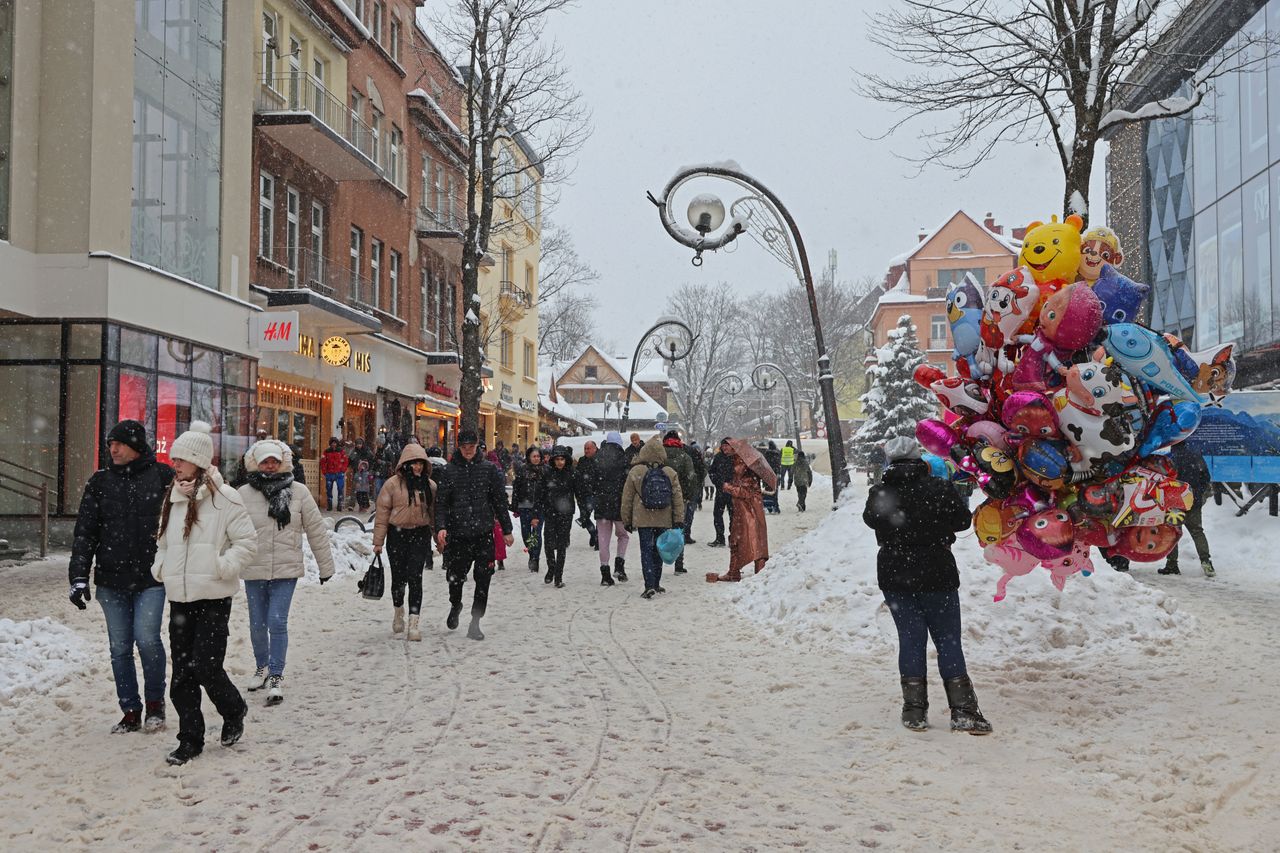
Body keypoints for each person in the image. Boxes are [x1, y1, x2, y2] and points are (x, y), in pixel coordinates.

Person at [861, 436, 991, 735]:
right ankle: (964, 711)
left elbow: (872, 520)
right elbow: (961, 521)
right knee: (947, 640)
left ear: (890, 460)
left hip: (896, 575)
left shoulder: (881, 492)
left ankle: (914, 711)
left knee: (910, 639)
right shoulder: (938, 488)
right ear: (918, 458)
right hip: (937, 572)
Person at [151, 421, 257, 765]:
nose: (175, 464)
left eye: (180, 458)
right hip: (179, 597)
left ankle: (233, 709)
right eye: (174, 459)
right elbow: (164, 541)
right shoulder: (173, 497)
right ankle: (190, 738)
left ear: (198, 460)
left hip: (212, 597)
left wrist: (221, 567)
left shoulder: (226, 498)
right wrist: (161, 567)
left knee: (207, 666)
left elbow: (246, 544)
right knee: (182, 671)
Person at [69, 419, 175, 734]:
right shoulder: (99, 482)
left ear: (136, 446)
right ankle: (130, 708)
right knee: (119, 647)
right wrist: (78, 576)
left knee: (147, 639)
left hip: (151, 577)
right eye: (110, 444)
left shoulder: (162, 477)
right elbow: (85, 534)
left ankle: (155, 704)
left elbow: (185, 521)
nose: (112, 449)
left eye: (119, 444)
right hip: (111, 580)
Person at [237, 439, 334, 706]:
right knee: (258, 623)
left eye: (274, 461)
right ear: (255, 463)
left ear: (283, 463)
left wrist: (325, 566)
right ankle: (262, 666)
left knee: (277, 621)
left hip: (285, 568)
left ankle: (276, 675)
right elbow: (230, 531)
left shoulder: (299, 492)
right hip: (254, 568)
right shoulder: (243, 494)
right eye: (265, 461)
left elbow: (316, 530)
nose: (270, 466)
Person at [435, 429, 514, 640]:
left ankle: (475, 622)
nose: (468, 450)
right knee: (455, 578)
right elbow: (441, 503)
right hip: (458, 535)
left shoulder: (489, 470)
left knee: (483, 579)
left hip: (483, 534)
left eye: (472, 446)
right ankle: (455, 604)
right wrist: (441, 527)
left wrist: (507, 530)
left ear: (478, 445)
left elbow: (499, 501)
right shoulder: (449, 471)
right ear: (458, 447)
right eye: (464, 446)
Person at [373, 443, 437, 641]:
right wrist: (378, 542)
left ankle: (414, 622)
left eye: (420, 463)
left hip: (420, 534)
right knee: (399, 578)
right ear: (405, 464)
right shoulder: (392, 485)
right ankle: (398, 610)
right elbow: (382, 513)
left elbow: (434, 515)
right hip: (397, 535)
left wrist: (439, 539)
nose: (417, 467)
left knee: (415, 577)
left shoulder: (430, 486)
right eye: (413, 463)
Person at [620, 435, 685, 599]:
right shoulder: (670, 472)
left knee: (646, 551)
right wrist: (678, 519)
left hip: (643, 519)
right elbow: (677, 497)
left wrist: (626, 520)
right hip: (664, 518)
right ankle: (656, 583)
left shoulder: (636, 471)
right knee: (659, 550)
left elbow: (626, 498)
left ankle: (649, 585)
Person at [712, 440, 770, 582]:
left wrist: (728, 487)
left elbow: (748, 491)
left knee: (755, 540)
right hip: (741, 509)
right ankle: (733, 571)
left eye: (729, 447)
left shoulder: (746, 468)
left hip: (749, 510)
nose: (726, 450)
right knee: (736, 539)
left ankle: (759, 572)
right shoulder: (738, 462)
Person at [1164, 442, 1215, 577]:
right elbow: (1206, 477)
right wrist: (1197, 493)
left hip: (1175, 502)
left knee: (1172, 532)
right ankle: (1206, 562)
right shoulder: (1196, 456)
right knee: (1197, 531)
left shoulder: (1170, 459)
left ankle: (1172, 564)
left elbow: (1165, 481)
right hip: (1193, 501)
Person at [592, 432, 629, 585]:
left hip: (602, 506)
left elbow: (591, 482)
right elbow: (628, 484)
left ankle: (605, 573)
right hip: (619, 505)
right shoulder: (624, 458)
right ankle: (619, 566)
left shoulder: (598, 458)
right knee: (623, 536)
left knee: (603, 540)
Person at [539, 445, 578, 588]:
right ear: (553, 460)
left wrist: (585, 511)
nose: (560, 462)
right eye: (557, 459)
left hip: (566, 513)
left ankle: (558, 576)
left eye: (562, 459)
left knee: (562, 544)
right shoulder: (547, 474)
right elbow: (540, 493)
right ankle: (551, 566)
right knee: (548, 542)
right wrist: (538, 512)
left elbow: (579, 492)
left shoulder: (572, 474)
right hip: (550, 512)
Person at [661, 431, 698, 575]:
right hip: (679, 499)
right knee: (679, 530)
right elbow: (691, 477)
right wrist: (688, 496)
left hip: (661, 499)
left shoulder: (660, 455)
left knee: (660, 530)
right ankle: (678, 564)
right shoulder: (685, 456)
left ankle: (658, 563)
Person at [511, 446, 546, 572]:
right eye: (534, 456)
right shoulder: (522, 470)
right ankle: (532, 553)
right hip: (525, 506)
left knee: (536, 533)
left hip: (540, 507)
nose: (536, 459)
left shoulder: (545, 471)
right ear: (529, 457)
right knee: (526, 534)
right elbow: (516, 488)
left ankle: (535, 558)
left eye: (538, 456)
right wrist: (514, 505)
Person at [708, 438, 735, 548]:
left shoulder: (736, 457)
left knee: (733, 516)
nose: (724, 448)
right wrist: (720, 483)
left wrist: (732, 484)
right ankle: (719, 538)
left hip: (733, 492)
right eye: (723, 445)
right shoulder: (718, 457)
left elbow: (740, 474)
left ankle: (733, 539)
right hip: (721, 491)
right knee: (717, 514)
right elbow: (712, 472)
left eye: (727, 445)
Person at [574, 440, 600, 550]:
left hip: (595, 493)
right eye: (585, 448)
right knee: (584, 517)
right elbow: (578, 475)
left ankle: (598, 539)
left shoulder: (600, 460)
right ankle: (593, 533)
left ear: (595, 448)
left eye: (588, 448)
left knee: (593, 517)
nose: (586, 451)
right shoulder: (582, 460)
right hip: (582, 493)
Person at [320, 438, 348, 511]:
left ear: (337, 443)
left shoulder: (341, 451)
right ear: (330, 444)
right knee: (329, 489)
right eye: (332, 443)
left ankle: (339, 505)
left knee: (340, 489)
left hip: (339, 473)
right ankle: (329, 505)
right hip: (330, 473)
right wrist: (325, 472)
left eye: (335, 443)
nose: (333, 444)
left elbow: (345, 461)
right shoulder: (326, 452)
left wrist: (343, 470)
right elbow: (323, 462)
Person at [686, 438, 708, 514]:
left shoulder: (689, 456)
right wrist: (702, 477)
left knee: (694, 490)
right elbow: (703, 467)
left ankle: (694, 504)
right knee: (699, 490)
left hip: (693, 477)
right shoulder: (699, 457)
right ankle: (699, 502)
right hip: (699, 476)